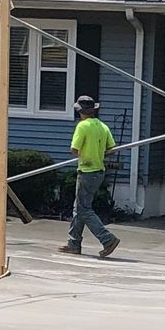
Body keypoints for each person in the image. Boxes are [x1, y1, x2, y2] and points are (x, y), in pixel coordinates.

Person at [61, 94, 121, 257]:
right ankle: (74, 243)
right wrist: (97, 152)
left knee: (84, 209)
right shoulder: (102, 126)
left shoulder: (83, 126)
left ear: (80, 111)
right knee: (78, 207)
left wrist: (86, 155)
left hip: (87, 172)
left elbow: (74, 149)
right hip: (99, 171)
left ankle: (107, 239)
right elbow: (111, 148)